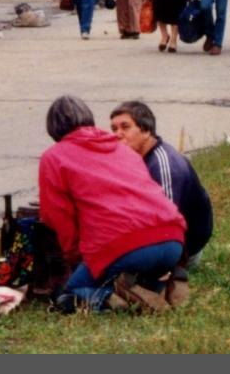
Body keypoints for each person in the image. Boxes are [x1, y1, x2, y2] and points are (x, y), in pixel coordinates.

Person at [40, 96, 186, 314]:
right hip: (173, 240)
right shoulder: (123, 149)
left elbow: (58, 216)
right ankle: (158, 288)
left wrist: (75, 258)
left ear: (53, 129)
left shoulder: (54, 156)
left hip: (124, 246)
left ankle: (116, 298)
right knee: (131, 267)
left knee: (73, 292)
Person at [109, 100, 213, 303]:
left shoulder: (164, 165)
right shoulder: (136, 157)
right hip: (159, 242)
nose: (117, 134)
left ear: (146, 130)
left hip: (180, 250)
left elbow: (169, 226)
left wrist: (171, 271)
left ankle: (151, 286)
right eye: (113, 128)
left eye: (125, 127)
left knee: (105, 271)